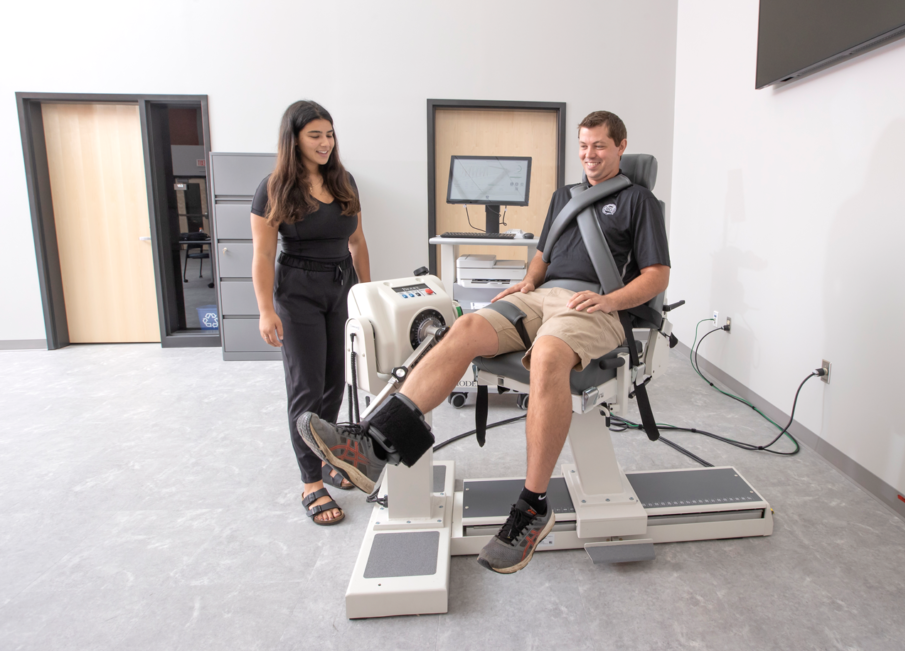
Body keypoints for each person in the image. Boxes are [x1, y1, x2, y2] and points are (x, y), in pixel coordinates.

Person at [299, 110, 669, 566]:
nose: (589, 155)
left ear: (620, 147)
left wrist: (612, 301)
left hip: (592, 305)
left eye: (599, 146)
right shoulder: (565, 197)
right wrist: (528, 281)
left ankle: (533, 507)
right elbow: (544, 253)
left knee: (550, 353)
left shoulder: (639, 202)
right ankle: (373, 448)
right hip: (543, 295)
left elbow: (656, 275)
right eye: (583, 145)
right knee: (466, 327)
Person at [251, 100, 371, 526]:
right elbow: (263, 256)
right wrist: (266, 310)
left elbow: (357, 243)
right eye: (314, 135)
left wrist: (365, 294)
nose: (325, 143)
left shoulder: (343, 180)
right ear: (294, 138)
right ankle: (310, 482)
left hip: (341, 288)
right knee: (306, 388)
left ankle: (325, 460)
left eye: (330, 134)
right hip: (297, 292)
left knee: (335, 384)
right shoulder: (273, 188)